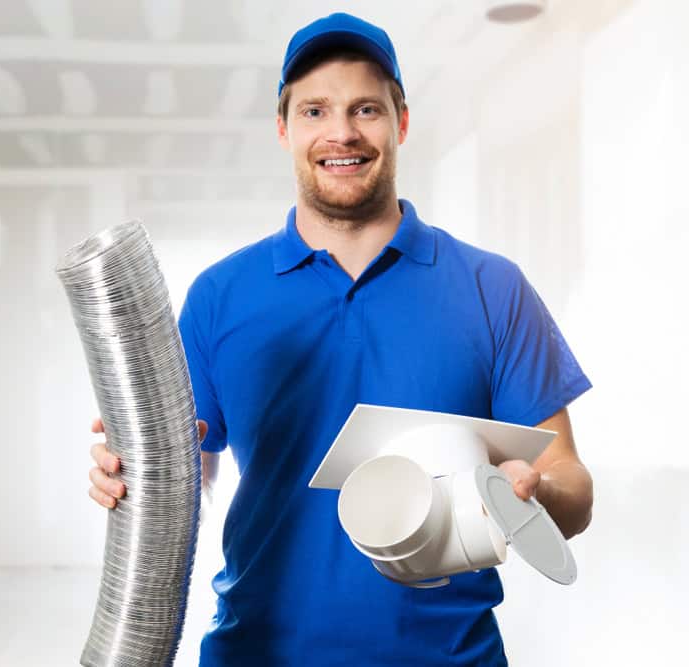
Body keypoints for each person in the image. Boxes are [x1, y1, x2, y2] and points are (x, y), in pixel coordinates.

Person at [88, 12, 593, 666]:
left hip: (450, 657)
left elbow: (572, 485)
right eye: (315, 110)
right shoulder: (221, 295)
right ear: (284, 129)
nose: (342, 133)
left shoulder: (491, 288)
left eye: (365, 109)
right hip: (257, 653)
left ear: (401, 122)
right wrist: (134, 473)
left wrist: (534, 491)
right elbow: (194, 474)